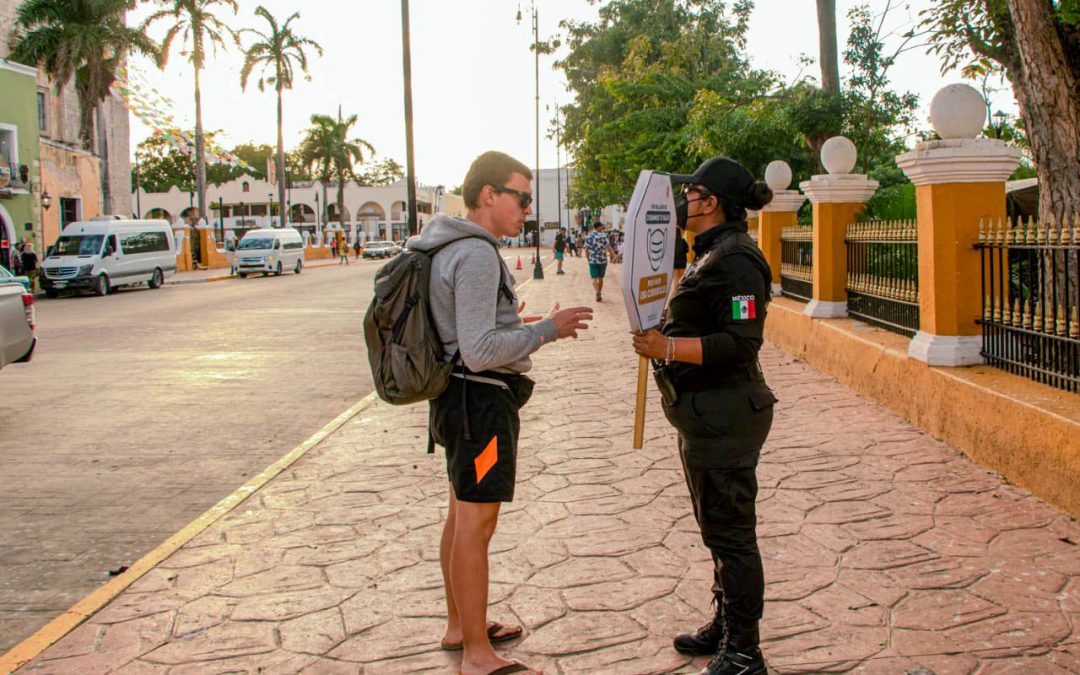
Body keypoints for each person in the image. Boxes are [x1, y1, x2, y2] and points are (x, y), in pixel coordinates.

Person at [408, 151, 592, 675]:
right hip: (481, 402)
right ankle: (476, 654)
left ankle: (460, 625)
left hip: (455, 398)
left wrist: (527, 322)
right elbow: (480, 348)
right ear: (488, 195)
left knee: (459, 513)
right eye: (522, 197)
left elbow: (472, 330)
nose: (527, 209)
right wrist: (545, 332)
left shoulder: (447, 244)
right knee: (477, 523)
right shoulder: (477, 254)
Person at [631, 157, 777, 675]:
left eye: (690, 192)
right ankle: (728, 624)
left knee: (733, 535)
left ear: (711, 201)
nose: (682, 201)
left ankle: (745, 651)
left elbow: (740, 344)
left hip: (728, 414)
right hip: (703, 416)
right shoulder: (709, 254)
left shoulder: (737, 262)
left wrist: (666, 349)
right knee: (716, 528)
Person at [583, 221, 615, 302]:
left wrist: (588, 258)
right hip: (602, 260)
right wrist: (614, 256)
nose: (602, 228)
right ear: (599, 227)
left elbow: (586, 249)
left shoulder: (589, 236)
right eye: (601, 226)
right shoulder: (604, 236)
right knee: (601, 278)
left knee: (594, 278)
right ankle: (599, 292)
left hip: (592, 260)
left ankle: (597, 292)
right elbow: (609, 247)